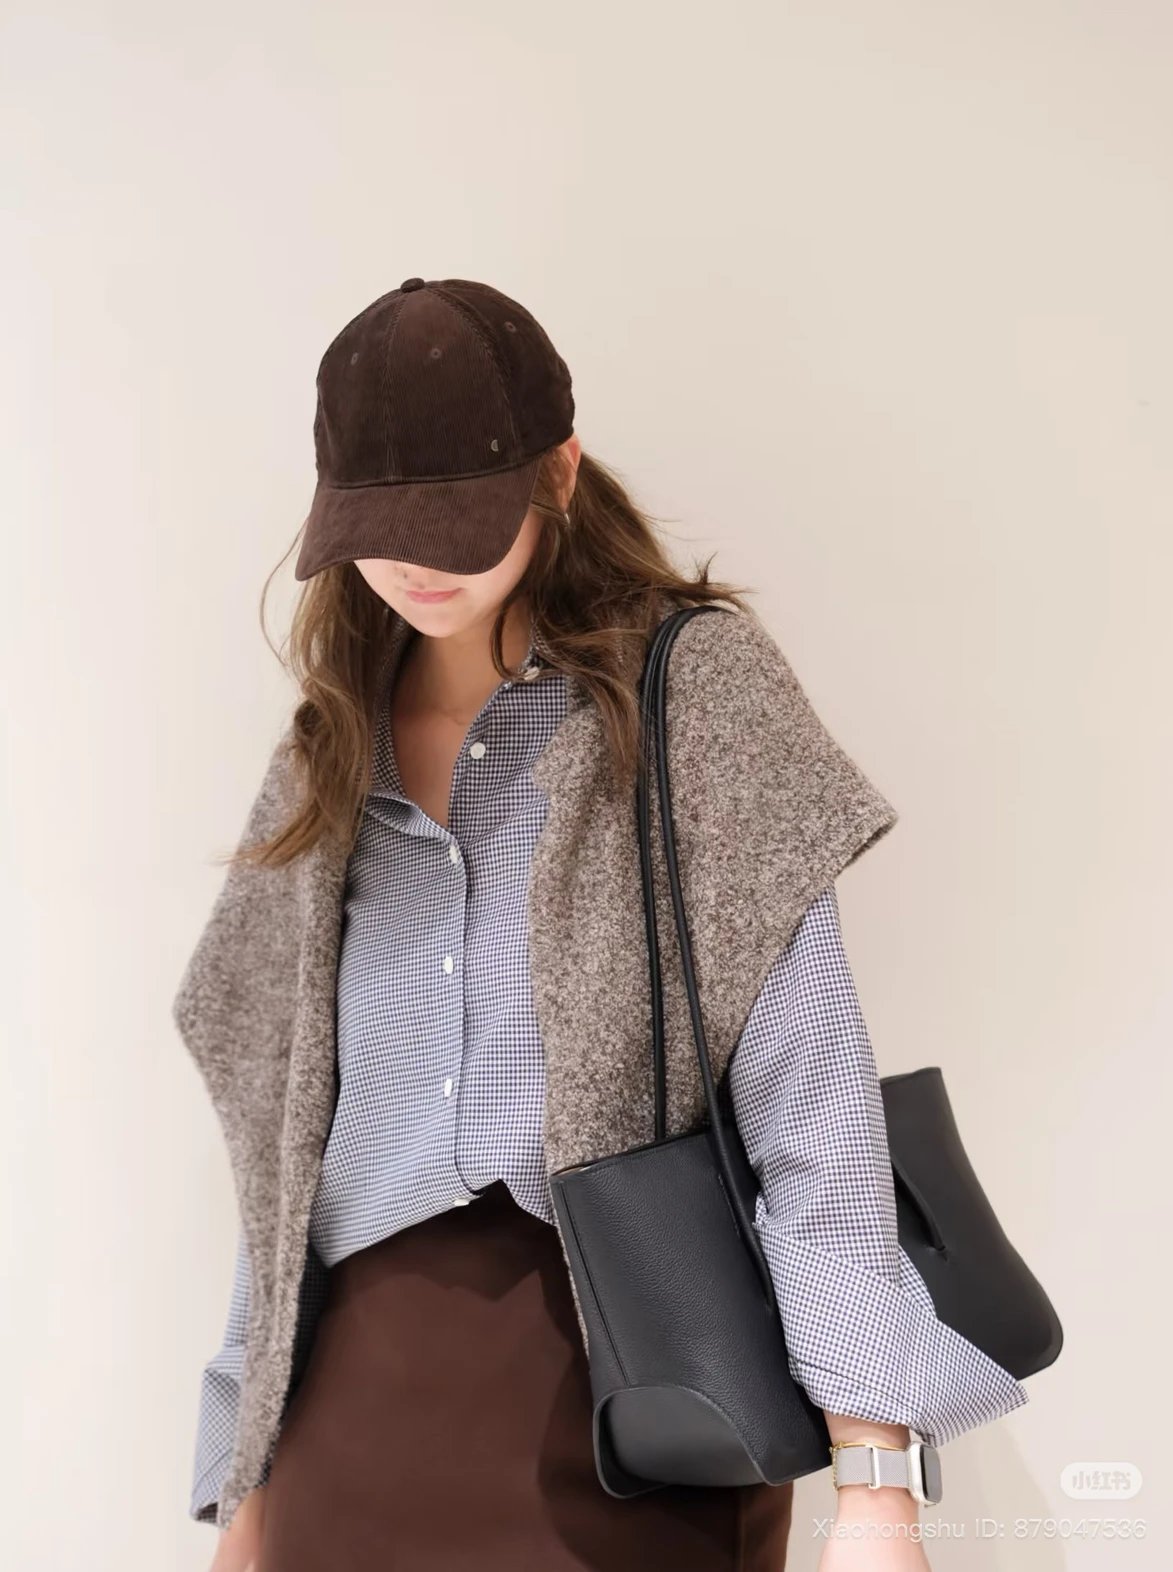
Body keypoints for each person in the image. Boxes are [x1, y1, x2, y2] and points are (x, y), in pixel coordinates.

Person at [174, 277, 1028, 1572]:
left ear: (559, 470)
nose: (415, 563)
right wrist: (244, 1491)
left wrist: (876, 1486)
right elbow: (278, 1156)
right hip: (349, 1422)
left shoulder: (692, 694)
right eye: (379, 526)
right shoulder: (329, 752)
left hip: (640, 1403)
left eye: (455, 521)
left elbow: (810, 1103)